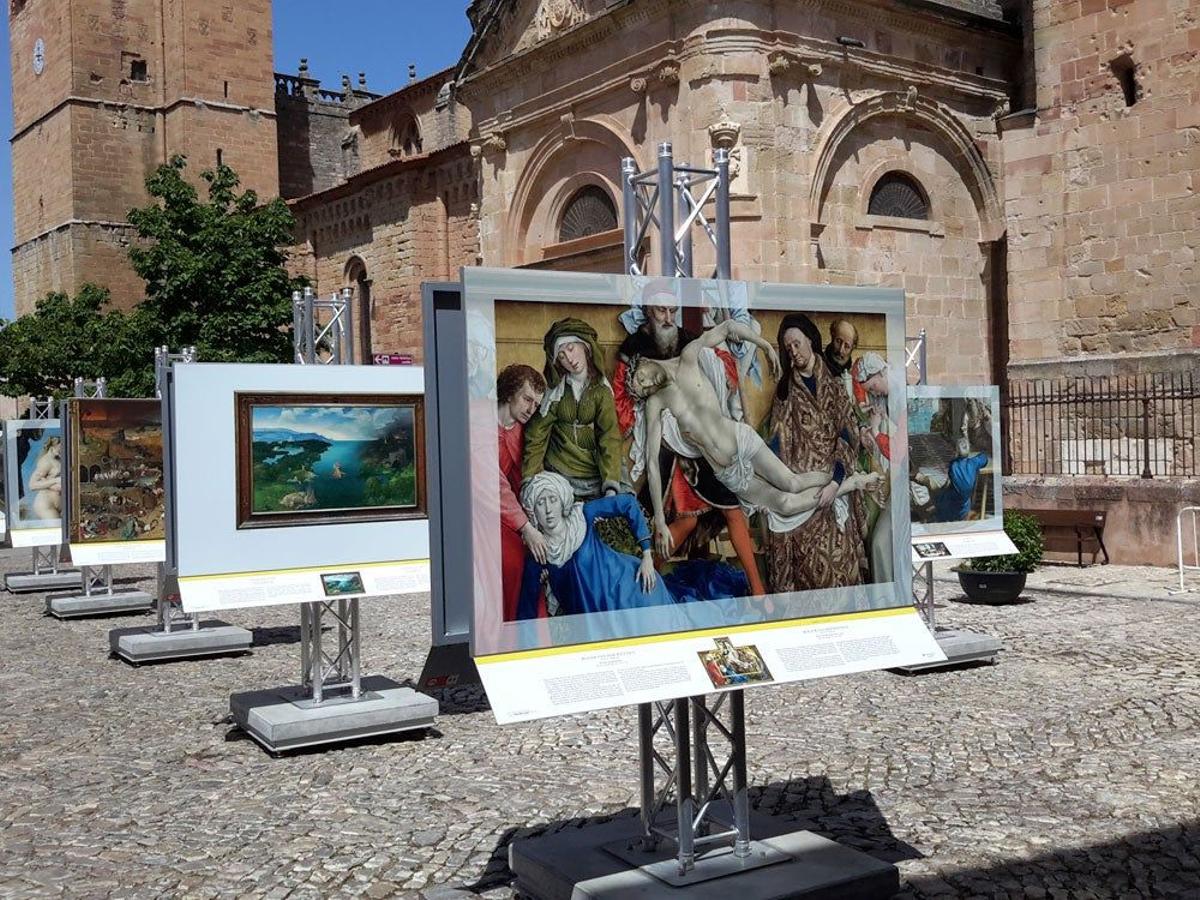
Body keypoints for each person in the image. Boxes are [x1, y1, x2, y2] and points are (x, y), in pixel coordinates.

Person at [630, 319, 881, 556]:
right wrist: (660, 523)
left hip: (741, 440)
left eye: (640, 378)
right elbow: (651, 463)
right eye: (642, 389)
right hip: (727, 470)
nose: (646, 384)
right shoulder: (657, 402)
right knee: (784, 503)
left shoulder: (688, 357)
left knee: (792, 483)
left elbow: (727, 327)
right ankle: (852, 484)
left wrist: (763, 345)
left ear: (643, 362)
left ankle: (842, 479)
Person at [613, 281, 767, 596]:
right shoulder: (632, 351)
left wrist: (729, 362)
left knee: (732, 508)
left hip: (701, 439)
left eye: (672, 310)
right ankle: (642, 585)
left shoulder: (688, 341)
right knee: (685, 522)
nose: (668, 318)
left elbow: (714, 368)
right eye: (661, 311)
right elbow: (623, 401)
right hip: (666, 448)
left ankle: (758, 589)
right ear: (648, 312)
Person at [515, 471, 747, 620]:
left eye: (552, 500)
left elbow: (626, 504)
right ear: (532, 511)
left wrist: (647, 555)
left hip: (633, 592)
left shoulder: (582, 517)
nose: (547, 510)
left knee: (673, 629)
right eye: (540, 503)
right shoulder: (538, 555)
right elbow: (526, 612)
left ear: (562, 501)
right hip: (598, 622)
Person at [766, 314, 871, 592]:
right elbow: (777, 442)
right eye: (788, 349)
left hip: (835, 485)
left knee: (843, 565)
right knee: (809, 570)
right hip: (805, 494)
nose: (794, 352)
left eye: (797, 344)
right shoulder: (784, 393)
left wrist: (836, 481)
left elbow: (847, 433)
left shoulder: (835, 386)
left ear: (810, 340)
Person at [522, 318, 622, 499]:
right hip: (560, 470)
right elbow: (537, 434)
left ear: (585, 347)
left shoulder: (601, 390)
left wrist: (610, 484)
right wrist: (530, 479)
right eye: (561, 355)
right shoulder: (556, 392)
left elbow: (609, 437)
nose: (569, 359)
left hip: (594, 470)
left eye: (571, 349)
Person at [496, 363, 548, 621]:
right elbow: (495, 485)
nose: (531, 409)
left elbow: (523, 477)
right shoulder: (483, 425)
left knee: (536, 561)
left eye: (536, 404)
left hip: (513, 515)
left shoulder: (520, 430)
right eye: (527, 399)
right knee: (513, 562)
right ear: (509, 392)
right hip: (486, 514)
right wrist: (526, 528)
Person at [852, 353, 894, 583]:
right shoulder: (881, 396)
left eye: (875, 386)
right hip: (888, 481)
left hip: (904, 485)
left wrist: (877, 432)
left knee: (880, 542)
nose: (874, 392)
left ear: (882, 371)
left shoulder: (902, 394)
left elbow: (899, 452)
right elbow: (854, 377)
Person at [27, 436, 63, 521]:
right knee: (57, 532)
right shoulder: (45, 462)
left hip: (59, 504)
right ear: (52, 448)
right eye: (60, 447)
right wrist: (55, 480)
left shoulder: (58, 459)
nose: (63, 450)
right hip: (47, 504)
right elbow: (32, 485)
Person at [823, 319, 859, 400]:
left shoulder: (857, 370)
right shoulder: (817, 364)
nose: (840, 350)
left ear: (853, 347)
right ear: (832, 336)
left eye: (847, 346)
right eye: (838, 341)